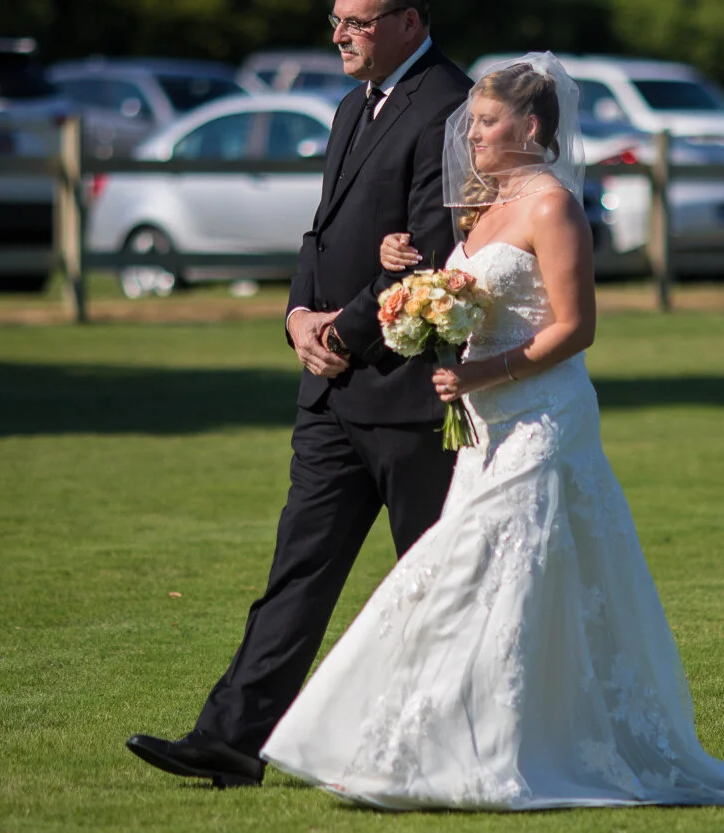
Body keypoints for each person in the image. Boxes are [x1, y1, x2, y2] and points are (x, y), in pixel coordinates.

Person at [259, 53, 724, 809]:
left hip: (542, 416)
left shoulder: (552, 207)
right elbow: (458, 289)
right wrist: (400, 266)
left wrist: (483, 373)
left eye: (488, 122)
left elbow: (575, 328)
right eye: (471, 124)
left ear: (532, 128)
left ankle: (488, 757)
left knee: (488, 574)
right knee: (478, 580)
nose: (472, 136)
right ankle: (434, 747)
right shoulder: (483, 206)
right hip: (485, 428)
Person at [125, 0, 472, 788]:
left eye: (358, 21)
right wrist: (296, 317)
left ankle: (448, 751)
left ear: (411, 20)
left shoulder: (451, 106)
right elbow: (321, 235)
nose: (339, 34)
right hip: (330, 395)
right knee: (297, 572)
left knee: (433, 582)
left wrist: (342, 333)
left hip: (411, 398)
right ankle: (230, 739)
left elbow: (431, 251)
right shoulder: (352, 105)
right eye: (335, 18)